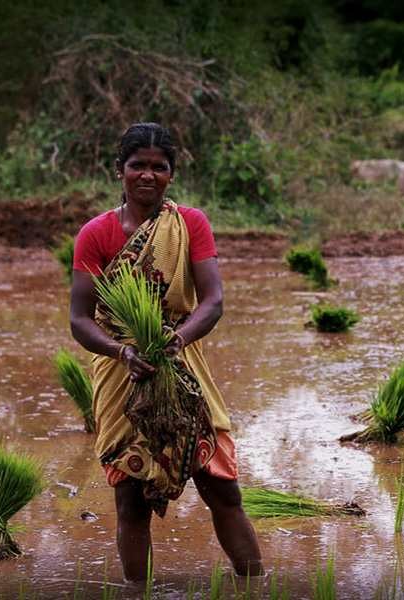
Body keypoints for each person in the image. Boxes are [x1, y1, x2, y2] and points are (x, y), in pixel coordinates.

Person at [68, 123, 263, 581]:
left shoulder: (189, 224)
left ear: (171, 174)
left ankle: (257, 585)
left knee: (222, 487)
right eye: (138, 165)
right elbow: (80, 318)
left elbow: (212, 301)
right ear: (120, 171)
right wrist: (122, 352)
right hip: (122, 370)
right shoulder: (96, 235)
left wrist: (177, 339)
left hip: (181, 359)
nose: (148, 175)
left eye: (159, 167)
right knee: (131, 500)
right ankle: (140, 591)